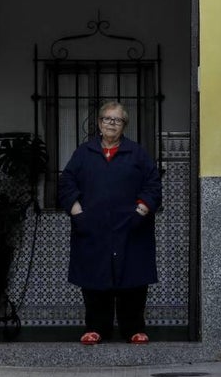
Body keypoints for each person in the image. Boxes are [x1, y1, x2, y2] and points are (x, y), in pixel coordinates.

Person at [58, 101, 162, 344]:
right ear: (99, 123)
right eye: (107, 119)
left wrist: (141, 210)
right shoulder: (84, 153)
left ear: (124, 125)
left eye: (117, 120)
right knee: (95, 280)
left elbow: (153, 185)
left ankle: (134, 329)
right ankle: (95, 328)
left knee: (133, 280)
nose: (111, 124)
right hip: (93, 228)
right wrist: (77, 212)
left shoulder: (137, 153)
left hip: (132, 228)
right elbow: (66, 183)